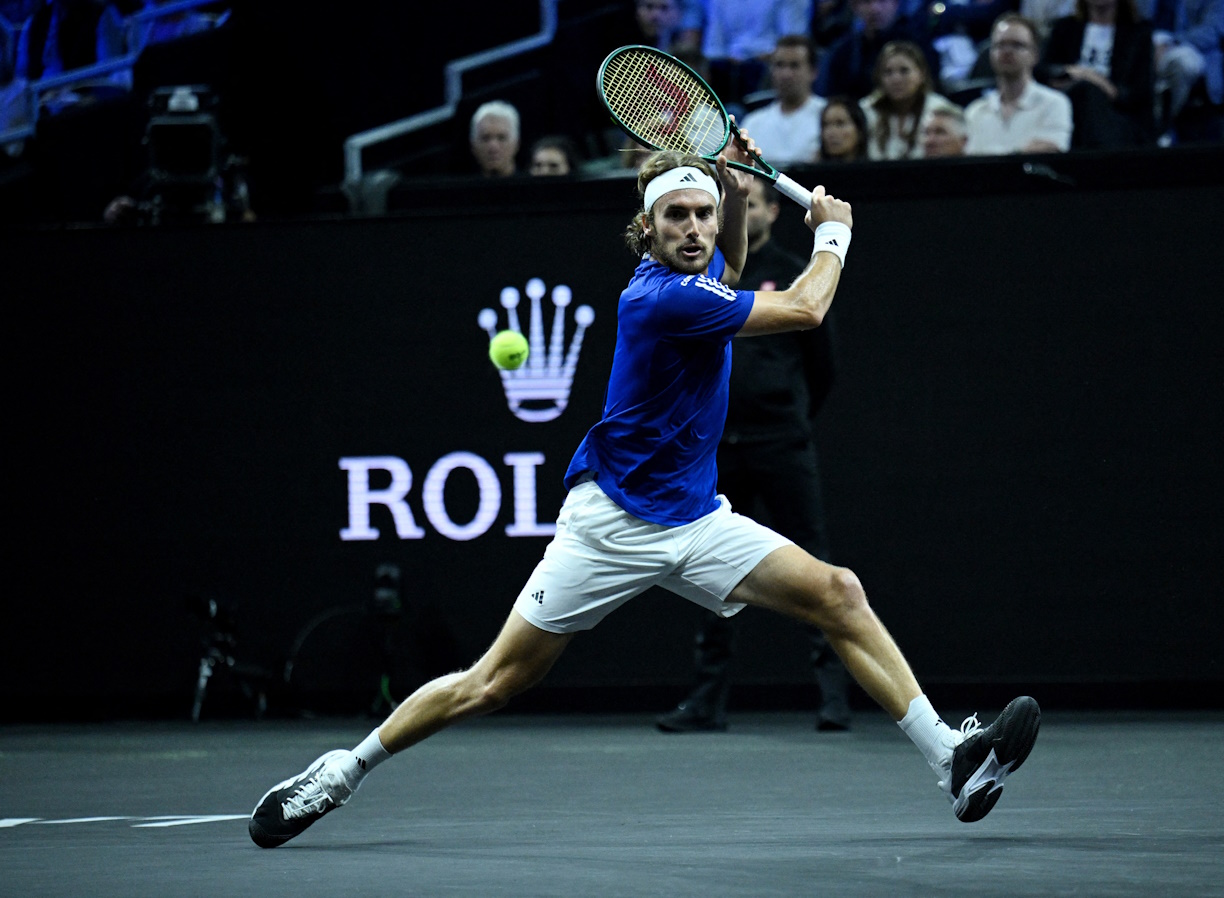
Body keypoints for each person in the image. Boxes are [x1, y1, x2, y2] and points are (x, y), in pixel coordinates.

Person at [248, 124, 1041, 850]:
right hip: (610, 526)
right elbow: (803, 306)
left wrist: (728, 189)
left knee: (838, 592)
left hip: (697, 519)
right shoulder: (658, 298)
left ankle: (953, 759)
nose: (695, 230)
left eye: (703, 215)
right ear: (648, 232)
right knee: (492, 683)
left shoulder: (696, 277)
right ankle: (340, 774)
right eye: (679, 219)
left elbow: (726, 261)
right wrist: (833, 231)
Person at [655, 179, 851, 734]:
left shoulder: (796, 270)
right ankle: (706, 701)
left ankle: (834, 697)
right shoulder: (700, 280)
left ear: (772, 212)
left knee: (815, 568)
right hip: (718, 449)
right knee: (708, 576)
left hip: (780, 443)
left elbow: (822, 361)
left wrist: (784, 415)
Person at [1041, 0, 1156, 148]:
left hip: (1117, 112)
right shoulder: (1064, 27)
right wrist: (1070, 72)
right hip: (1068, 103)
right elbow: (1044, 70)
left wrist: (1096, 81)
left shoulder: (1138, 31)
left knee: (1088, 93)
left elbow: (1140, 90)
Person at [964, 13, 1074, 154]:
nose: (1007, 51)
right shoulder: (975, 112)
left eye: (1017, 45)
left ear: (1034, 55)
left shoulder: (1054, 104)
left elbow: (1051, 150)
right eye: (1000, 45)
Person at [815, 0, 940, 101]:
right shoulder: (843, 53)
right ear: (854, 7)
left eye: (882, 1)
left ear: (895, 4)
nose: (874, 9)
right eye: (866, 2)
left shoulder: (919, 45)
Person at [860, 40, 962, 159]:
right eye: (888, 72)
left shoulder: (941, 110)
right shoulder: (866, 110)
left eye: (904, 71)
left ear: (922, 74)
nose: (896, 79)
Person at [738, 34, 828, 167]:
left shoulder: (827, 116)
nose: (786, 74)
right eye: (780, 65)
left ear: (813, 71)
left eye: (794, 66)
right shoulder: (752, 123)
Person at [701, 0, 814, 105]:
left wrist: (769, 55)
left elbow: (792, 42)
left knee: (772, 66)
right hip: (729, 65)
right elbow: (713, 47)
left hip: (766, 61)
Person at [1149, 0, 1224, 133]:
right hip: (1153, 42)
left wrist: (1173, 42)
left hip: (1193, 49)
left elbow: (1212, 33)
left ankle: (1165, 126)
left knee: (1184, 63)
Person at [469, 99, 520, 178]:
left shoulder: (533, 188)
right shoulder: (458, 189)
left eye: (501, 138)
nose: (493, 147)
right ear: (473, 145)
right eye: (485, 138)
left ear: (517, 143)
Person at [817, 92, 869, 159]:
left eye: (840, 124)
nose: (831, 133)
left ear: (859, 131)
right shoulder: (809, 168)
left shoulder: (877, 168)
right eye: (825, 125)